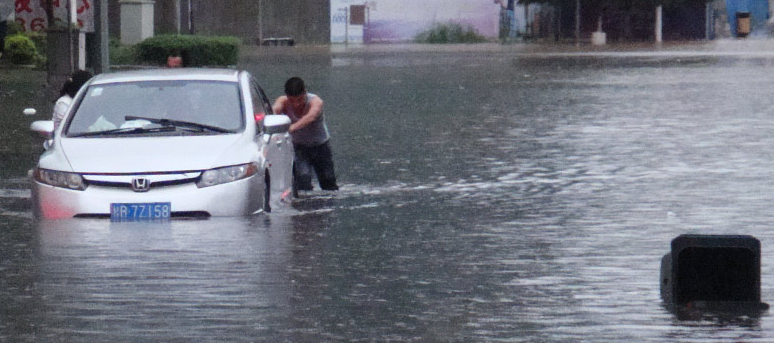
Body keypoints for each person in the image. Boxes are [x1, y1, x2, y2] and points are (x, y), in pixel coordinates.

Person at [273, 77, 339, 191]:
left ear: (305, 93)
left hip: (320, 146)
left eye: (299, 99)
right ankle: (306, 204)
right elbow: (274, 109)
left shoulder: (315, 101)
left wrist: (291, 128)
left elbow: (311, 117)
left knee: (328, 181)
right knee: (302, 179)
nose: (296, 104)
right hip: (299, 147)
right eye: (292, 101)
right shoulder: (283, 101)